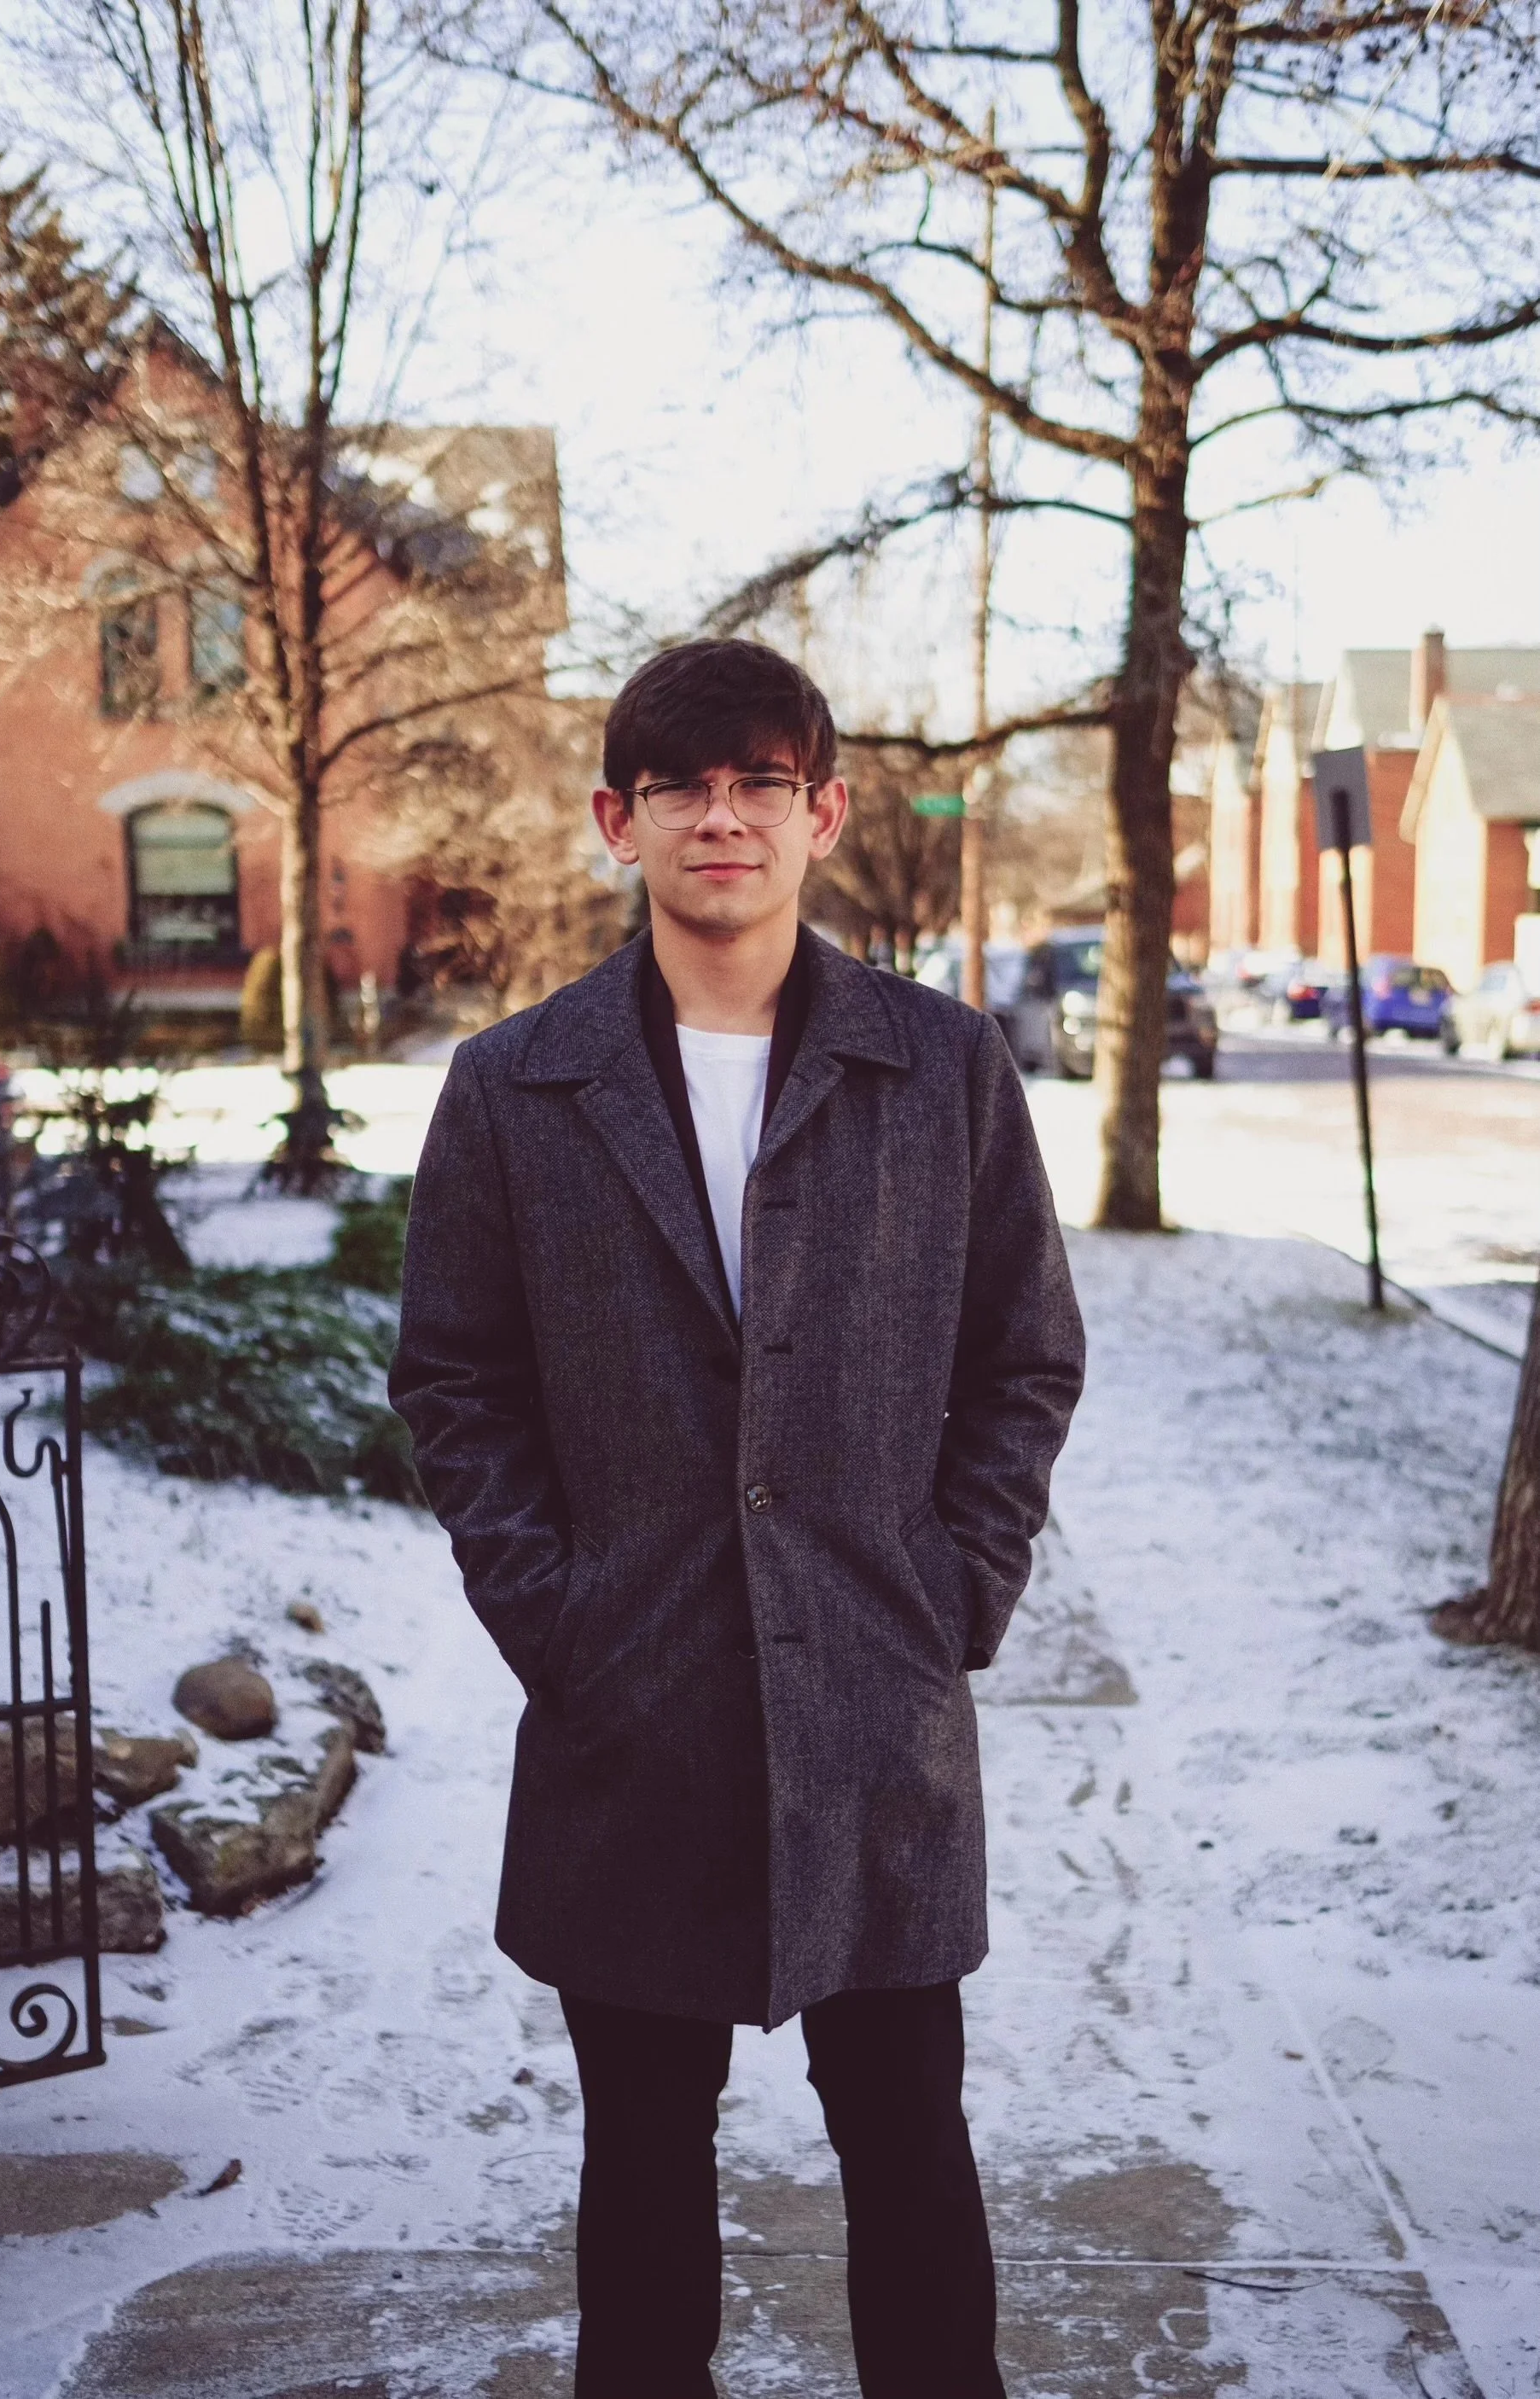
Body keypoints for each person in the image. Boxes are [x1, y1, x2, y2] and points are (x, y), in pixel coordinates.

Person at [390, 638, 1084, 2399]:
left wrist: (954, 1587)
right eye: (682, 787)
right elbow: (454, 1381)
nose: (723, 818)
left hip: (874, 1702)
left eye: (761, 782)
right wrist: (559, 1616)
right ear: (615, 820)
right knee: (641, 2166)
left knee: (909, 2144)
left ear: (821, 813)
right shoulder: (516, 1085)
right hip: (630, 1711)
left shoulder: (939, 1068)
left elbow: (1024, 1355)